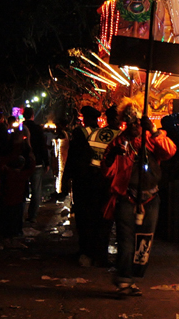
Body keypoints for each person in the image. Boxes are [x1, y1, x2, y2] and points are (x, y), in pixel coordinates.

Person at [101, 103, 176, 297]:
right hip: (127, 197)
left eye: (137, 122)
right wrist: (112, 158)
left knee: (144, 242)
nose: (135, 126)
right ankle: (124, 280)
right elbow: (107, 171)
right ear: (125, 123)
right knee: (125, 241)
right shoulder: (119, 143)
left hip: (150, 197)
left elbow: (169, 151)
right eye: (131, 122)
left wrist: (152, 130)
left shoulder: (152, 138)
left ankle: (133, 276)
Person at [63, 105, 117, 267]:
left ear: (84, 118)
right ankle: (99, 253)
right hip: (103, 182)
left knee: (84, 218)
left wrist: (67, 180)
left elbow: (73, 159)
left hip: (84, 182)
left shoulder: (81, 133)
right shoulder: (104, 135)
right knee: (101, 220)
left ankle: (86, 251)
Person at [23, 107, 49, 223]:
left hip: (23, 162)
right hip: (37, 162)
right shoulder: (37, 129)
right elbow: (43, 146)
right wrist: (46, 162)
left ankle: (20, 215)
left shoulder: (20, 128)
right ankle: (32, 216)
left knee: (22, 189)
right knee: (36, 190)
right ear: (33, 115)